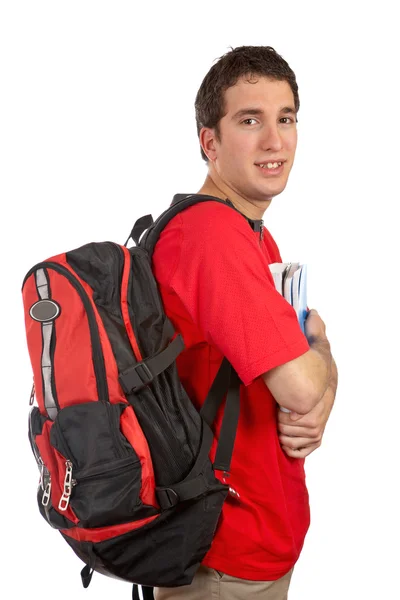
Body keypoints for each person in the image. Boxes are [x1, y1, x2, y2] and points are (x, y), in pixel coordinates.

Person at [152, 45, 338, 600]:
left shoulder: (250, 231)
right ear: (209, 141)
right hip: (222, 558)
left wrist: (320, 378)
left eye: (286, 119)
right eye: (249, 120)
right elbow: (303, 383)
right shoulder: (212, 238)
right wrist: (323, 365)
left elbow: (308, 361)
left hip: (256, 544)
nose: (274, 141)